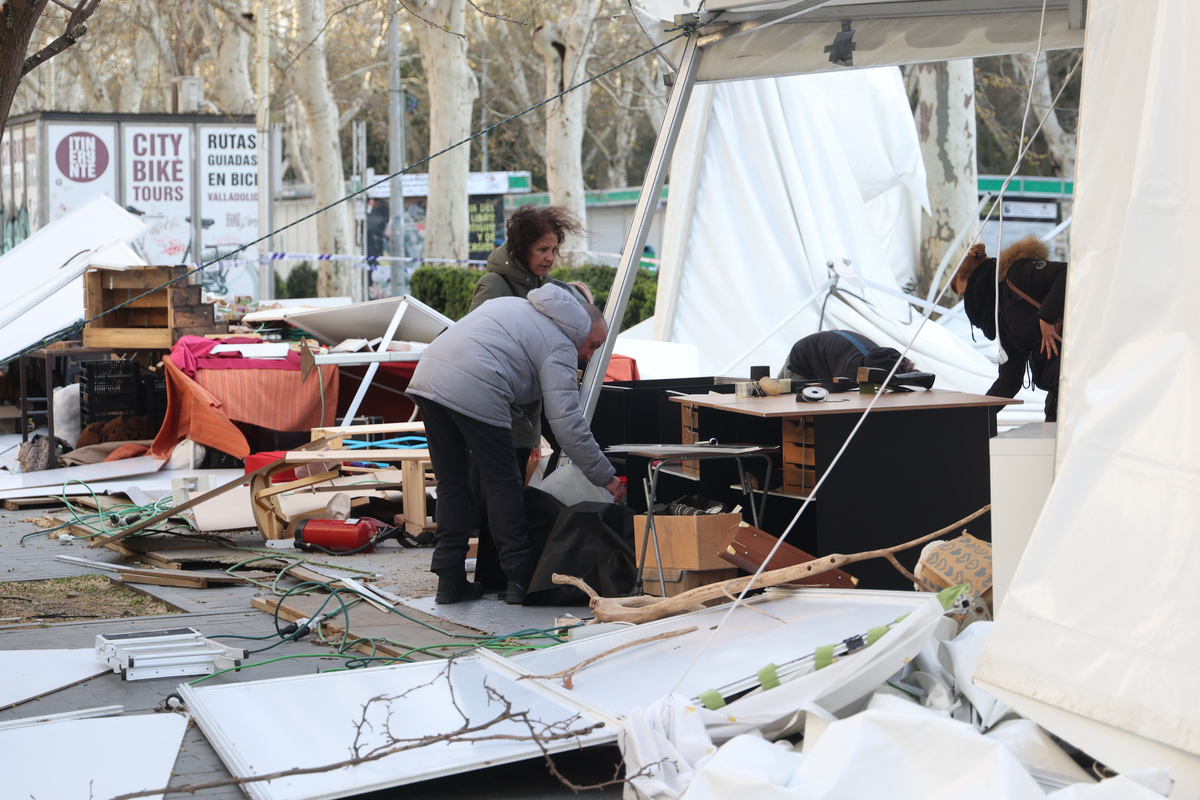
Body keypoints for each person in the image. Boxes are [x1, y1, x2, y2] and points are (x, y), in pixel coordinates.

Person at [407, 284, 626, 606]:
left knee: (452, 483)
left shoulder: (515, 305)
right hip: (478, 383)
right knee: (503, 483)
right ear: (581, 328)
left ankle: (449, 580)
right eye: (592, 345)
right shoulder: (561, 343)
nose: (589, 356)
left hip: (429, 377)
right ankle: (521, 580)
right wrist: (606, 477)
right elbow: (567, 423)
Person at [468, 205, 589, 466]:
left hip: (526, 412)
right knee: (494, 496)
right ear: (521, 250)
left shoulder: (544, 284)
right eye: (542, 250)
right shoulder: (495, 284)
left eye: (554, 250)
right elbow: (474, 348)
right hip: (497, 411)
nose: (550, 258)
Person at [951, 237, 1067, 421]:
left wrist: (1046, 317)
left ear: (976, 282)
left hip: (1080, 372)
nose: (968, 301)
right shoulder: (1001, 319)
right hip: (1060, 388)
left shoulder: (1017, 275)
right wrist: (978, 415)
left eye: (966, 293)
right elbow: (1010, 379)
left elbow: (1065, 272)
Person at [782, 330, 915, 382]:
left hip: (825, 352)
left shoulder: (882, 355)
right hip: (802, 359)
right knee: (799, 404)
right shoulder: (849, 372)